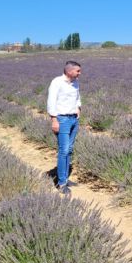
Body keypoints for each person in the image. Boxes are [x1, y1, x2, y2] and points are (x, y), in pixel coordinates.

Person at [47, 61, 82, 194]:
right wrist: (54, 120)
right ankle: (61, 183)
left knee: (70, 149)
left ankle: (65, 177)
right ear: (69, 71)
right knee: (64, 150)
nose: (80, 73)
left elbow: (78, 97)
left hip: (74, 119)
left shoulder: (75, 82)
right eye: (77, 71)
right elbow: (51, 101)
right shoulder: (57, 82)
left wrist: (78, 108)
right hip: (62, 120)